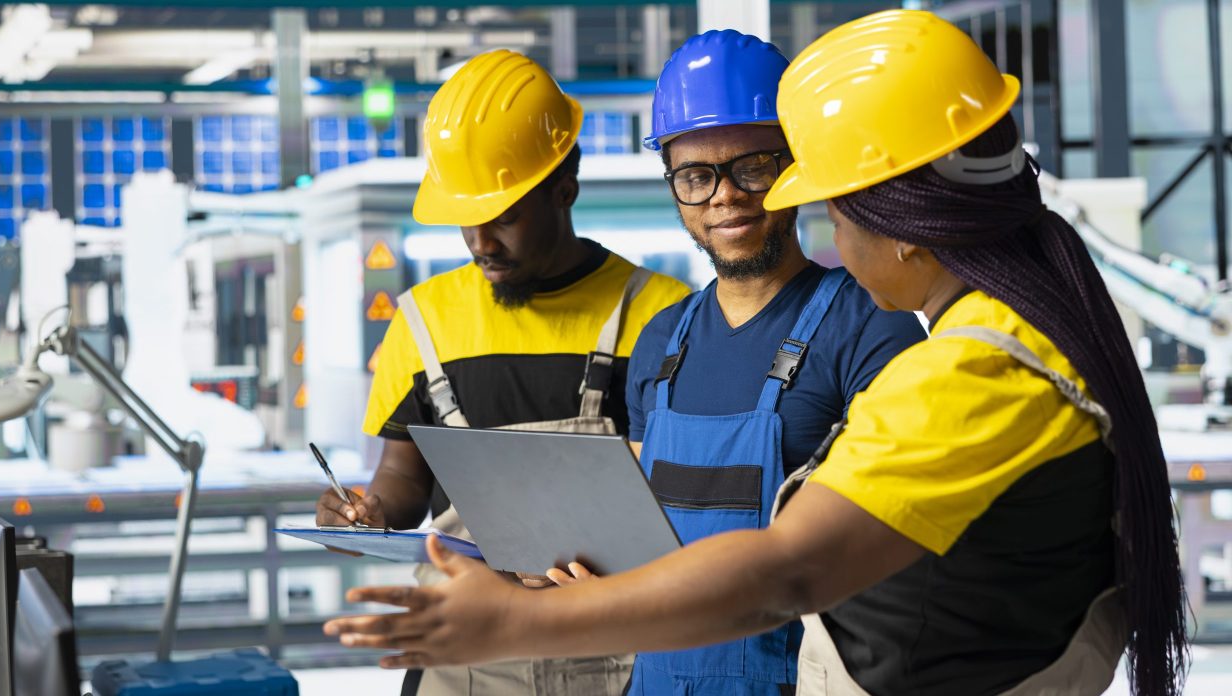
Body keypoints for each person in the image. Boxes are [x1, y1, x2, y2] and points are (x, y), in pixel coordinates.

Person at [323, 11, 1188, 696]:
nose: (737, 200)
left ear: (901, 220)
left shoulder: (967, 371)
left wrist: (512, 624)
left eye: (828, 207)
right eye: (695, 175)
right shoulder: (1026, 337)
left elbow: (790, 569)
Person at [313, 48, 690, 696]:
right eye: (468, 219)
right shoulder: (424, 320)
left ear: (564, 187)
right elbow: (403, 479)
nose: (482, 242)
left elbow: (685, 503)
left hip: (609, 654)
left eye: (504, 217)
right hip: (462, 657)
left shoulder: (662, 315)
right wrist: (365, 511)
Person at [569, 29, 922, 695]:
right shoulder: (660, 341)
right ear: (674, 185)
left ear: (796, 165)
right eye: (696, 176)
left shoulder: (872, 328)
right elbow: (644, 542)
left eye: (753, 165)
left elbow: (889, 554)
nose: (724, 196)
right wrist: (594, 574)